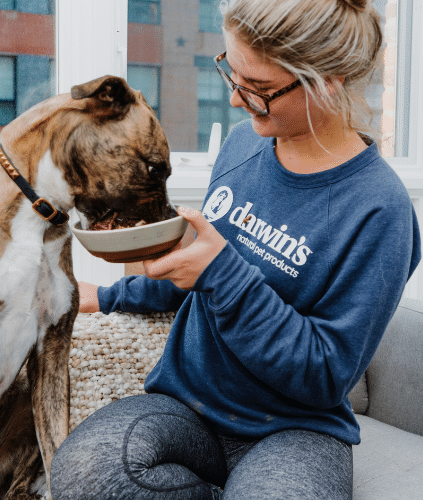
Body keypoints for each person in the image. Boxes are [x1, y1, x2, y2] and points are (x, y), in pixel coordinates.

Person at [51, 0, 421, 498]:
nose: (236, 101)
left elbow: (326, 374)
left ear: (327, 79)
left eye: (260, 90)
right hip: (187, 408)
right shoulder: (244, 144)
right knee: (86, 470)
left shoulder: (381, 212)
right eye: (232, 74)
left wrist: (224, 275)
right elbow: (198, 268)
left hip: (294, 431)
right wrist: (113, 295)